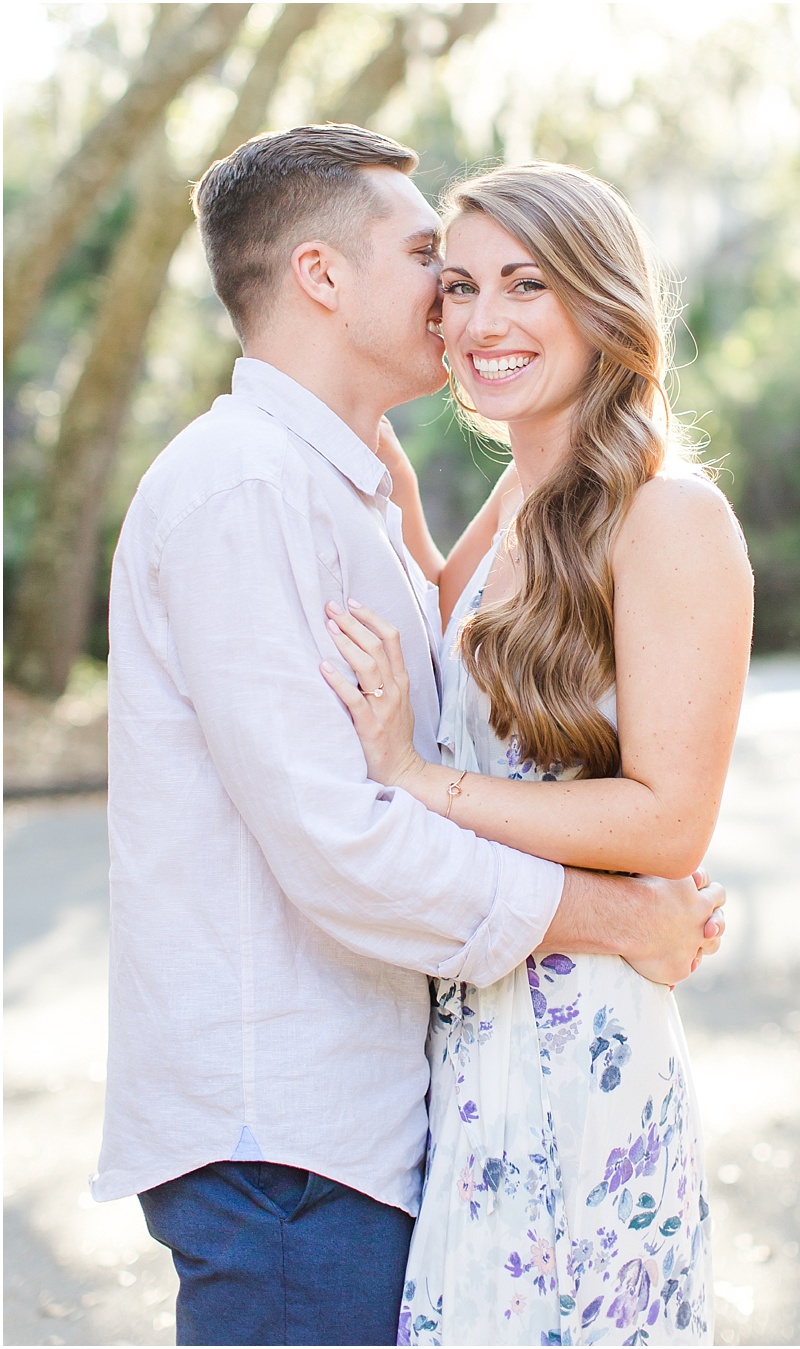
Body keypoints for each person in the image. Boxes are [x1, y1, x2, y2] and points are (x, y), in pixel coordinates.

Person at [96, 125, 726, 1347]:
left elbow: (526, 762)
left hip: (436, 1097)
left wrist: (633, 865)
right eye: (443, 266)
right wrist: (619, 909)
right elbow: (346, 836)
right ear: (325, 277)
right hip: (288, 1134)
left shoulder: (357, 490)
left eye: (515, 279)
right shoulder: (250, 489)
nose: (460, 307)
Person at [318, 163, 752, 1344]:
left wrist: (420, 784)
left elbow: (671, 822)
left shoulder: (670, 515)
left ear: (603, 301)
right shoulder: (519, 494)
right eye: (457, 287)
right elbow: (453, 679)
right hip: (469, 1028)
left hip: (579, 1046)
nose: (481, 320)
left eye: (527, 283)